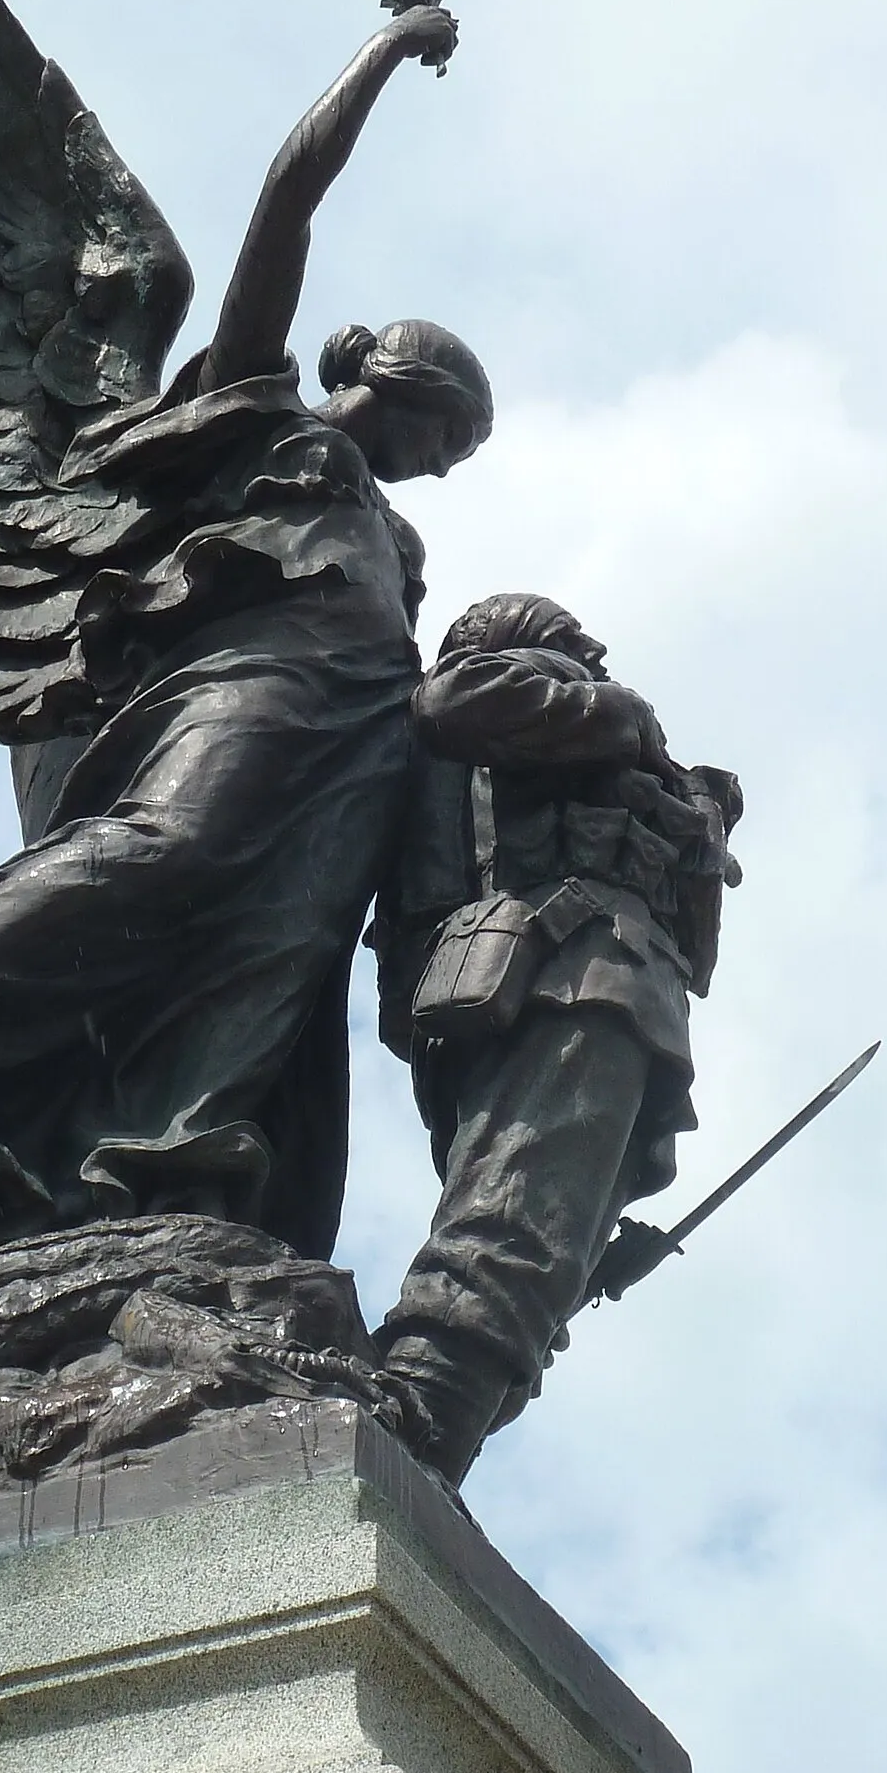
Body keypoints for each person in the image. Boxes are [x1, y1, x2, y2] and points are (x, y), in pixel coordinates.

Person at [0, 0, 493, 1273]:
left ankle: (173, 1176)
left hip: (359, 750)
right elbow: (285, 204)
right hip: (251, 690)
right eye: (452, 435)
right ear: (402, 384)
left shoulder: (397, 538)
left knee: (281, 966)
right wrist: (385, 51)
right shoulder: (262, 418)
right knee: (163, 847)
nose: (444, 467)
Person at [371, 594, 742, 1484]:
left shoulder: (614, 762)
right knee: (517, 1218)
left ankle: (432, 1440)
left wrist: (696, 809)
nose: (596, 656)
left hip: (616, 986)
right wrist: (627, 721)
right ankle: (413, 1411)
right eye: (575, 646)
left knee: (552, 1240)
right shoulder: (519, 696)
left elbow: (697, 938)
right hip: (560, 970)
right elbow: (453, 701)